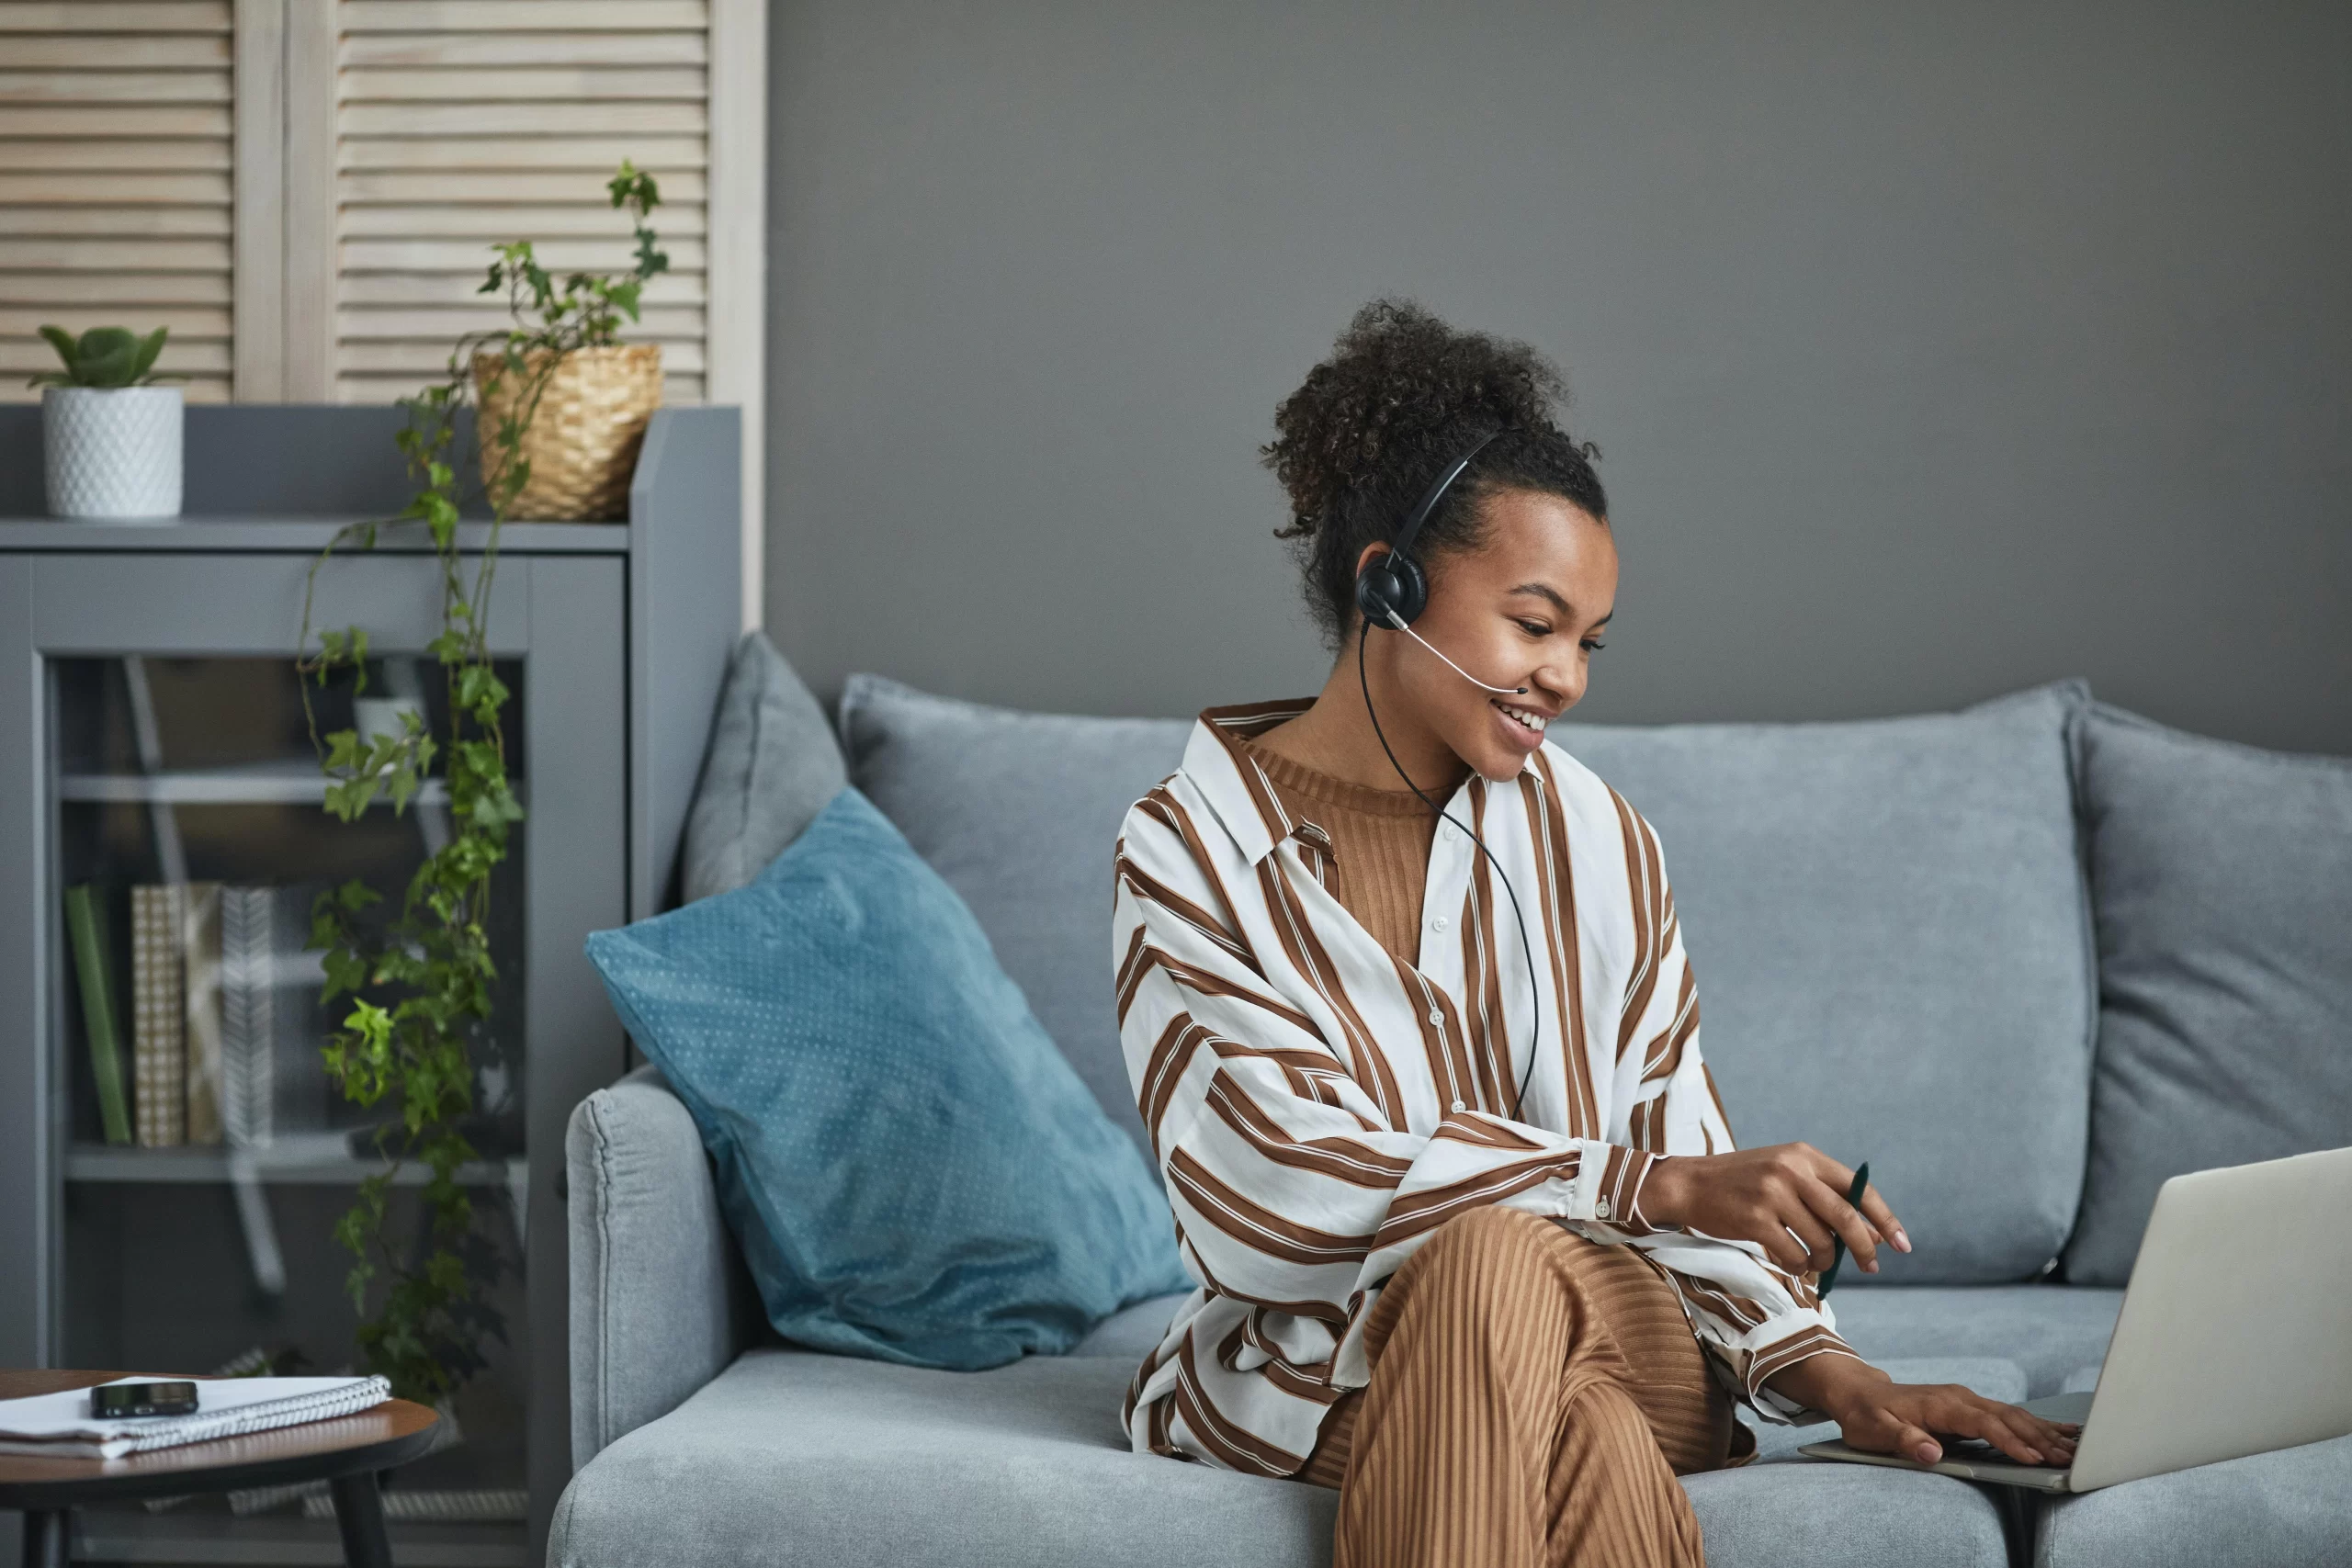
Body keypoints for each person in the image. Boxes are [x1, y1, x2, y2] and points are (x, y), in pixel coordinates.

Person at [1109, 299, 2079, 1568]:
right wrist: (1633, 1182)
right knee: (1568, 1413)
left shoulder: (1598, 836)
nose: (1567, 677)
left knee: (1490, 1261)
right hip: (1329, 1362)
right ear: (1386, 582)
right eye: (1534, 622)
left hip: (1630, 1321)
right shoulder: (1188, 843)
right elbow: (1265, 1197)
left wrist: (1837, 1377)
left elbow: (1680, 1138)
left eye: (1588, 642)